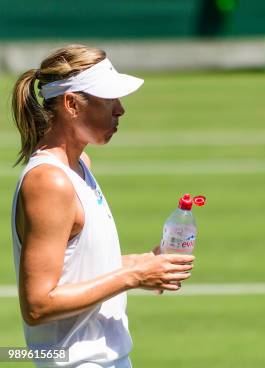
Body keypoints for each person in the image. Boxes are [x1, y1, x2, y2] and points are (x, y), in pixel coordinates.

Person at [10, 45, 195, 367]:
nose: (120, 110)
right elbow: (38, 305)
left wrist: (141, 263)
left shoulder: (80, 164)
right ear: (71, 104)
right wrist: (134, 275)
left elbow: (76, 267)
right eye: (108, 100)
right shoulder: (49, 183)